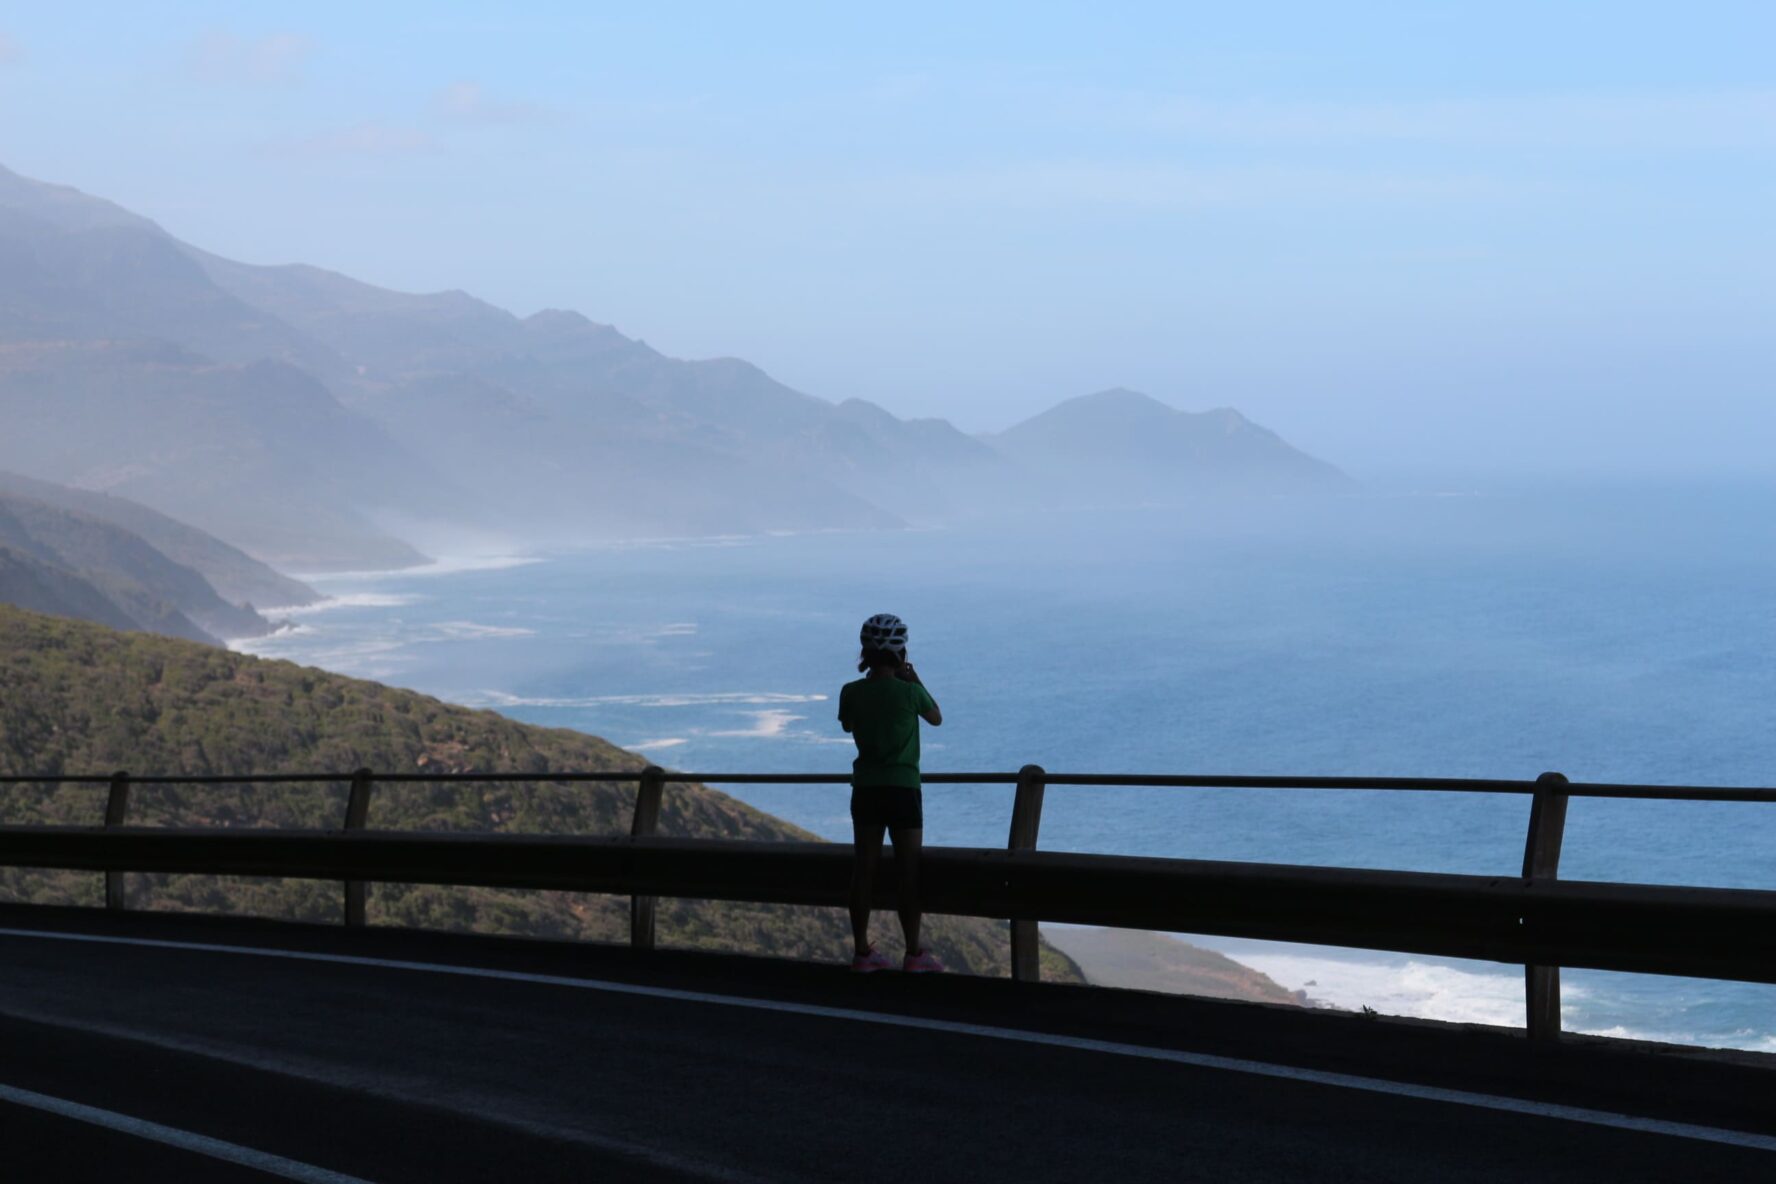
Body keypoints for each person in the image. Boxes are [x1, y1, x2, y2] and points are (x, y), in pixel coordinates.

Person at [838, 613, 944, 973]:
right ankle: (914, 953)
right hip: (903, 789)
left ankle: (862, 952)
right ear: (901, 653)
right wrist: (914, 679)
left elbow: (848, 724)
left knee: (863, 870)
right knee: (908, 872)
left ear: (865, 653)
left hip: (866, 788)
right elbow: (936, 717)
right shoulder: (911, 691)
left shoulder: (851, 692)